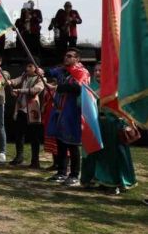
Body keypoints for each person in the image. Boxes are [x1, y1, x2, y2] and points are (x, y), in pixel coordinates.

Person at [80, 63, 137, 193]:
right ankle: (100, 180)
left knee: (113, 155)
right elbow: (80, 102)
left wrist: (129, 123)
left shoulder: (115, 88)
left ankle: (115, 183)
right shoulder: (90, 86)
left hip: (113, 125)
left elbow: (124, 106)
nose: (98, 73)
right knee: (96, 154)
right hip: (96, 124)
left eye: (101, 70)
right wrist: (89, 94)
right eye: (96, 70)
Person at [44, 48, 88, 187]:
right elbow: (50, 72)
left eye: (70, 56)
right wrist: (40, 71)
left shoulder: (82, 72)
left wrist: (59, 87)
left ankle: (75, 175)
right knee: (61, 143)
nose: (66, 58)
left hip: (73, 113)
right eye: (65, 56)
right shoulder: (62, 70)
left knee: (73, 144)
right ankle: (61, 172)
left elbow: (77, 88)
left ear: (77, 59)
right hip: (60, 111)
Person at [7, 60, 44, 168]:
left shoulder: (41, 79)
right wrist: (8, 82)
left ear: (36, 68)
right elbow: (15, 81)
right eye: (27, 66)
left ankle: (35, 161)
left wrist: (18, 90)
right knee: (19, 135)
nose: (27, 68)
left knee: (34, 137)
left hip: (33, 111)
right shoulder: (24, 76)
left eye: (30, 66)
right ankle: (19, 157)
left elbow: (34, 90)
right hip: (21, 110)